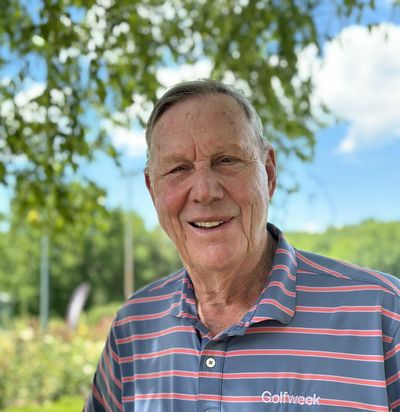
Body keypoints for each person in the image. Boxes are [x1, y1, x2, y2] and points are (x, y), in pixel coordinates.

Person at [85, 79, 400, 412]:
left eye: (227, 160)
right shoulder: (133, 328)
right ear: (152, 191)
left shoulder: (383, 315)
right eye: (179, 169)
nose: (205, 191)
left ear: (269, 173)